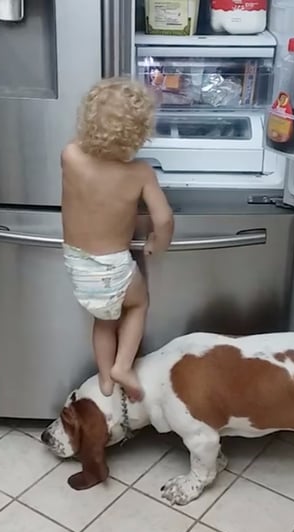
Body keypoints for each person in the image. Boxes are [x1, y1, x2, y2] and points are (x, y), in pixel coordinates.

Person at [61, 78, 174, 401]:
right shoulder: (140, 173)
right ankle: (123, 366)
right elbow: (164, 218)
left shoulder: (70, 156)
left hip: (78, 265)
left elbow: (87, 147)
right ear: (140, 133)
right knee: (138, 304)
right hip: (114, 266)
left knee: (104, 321)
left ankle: (105, 380)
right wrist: (156, 243)